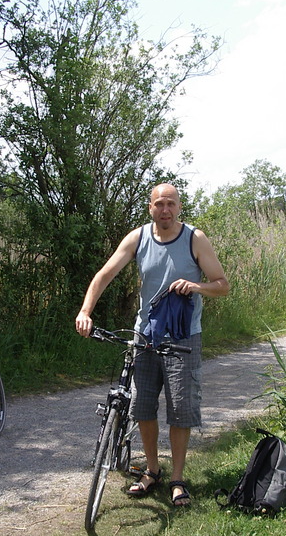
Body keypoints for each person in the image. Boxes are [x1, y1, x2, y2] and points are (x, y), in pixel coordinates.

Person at [75, 183, 230, 506]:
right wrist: (86, 311)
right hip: (145, 336)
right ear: (150, 208)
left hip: (183, 337)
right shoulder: (138, 238)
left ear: (179, 207)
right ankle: (152, 470)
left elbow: (222, 286)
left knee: (180, 410)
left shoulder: (194, 239)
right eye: (159, 204)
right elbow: (105, 274)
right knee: (143, 407)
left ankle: (177, 478)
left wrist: (196, 286)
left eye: (170, 204)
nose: (165, 210)